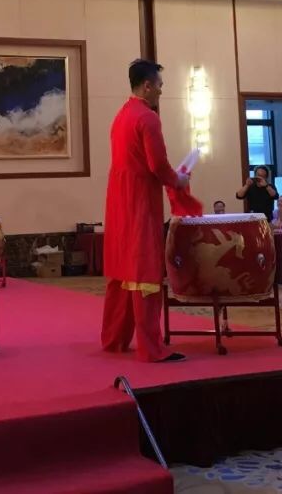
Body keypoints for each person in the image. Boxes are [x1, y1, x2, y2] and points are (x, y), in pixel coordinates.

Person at [102, 60, 188, 363]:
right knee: (144, 269)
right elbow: (158, 165)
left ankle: (114, 338)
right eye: (160, 86)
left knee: (123, 268)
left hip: (118, 201)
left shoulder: (121, 116)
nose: (162, 92)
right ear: (147, 86)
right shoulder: (148, 118)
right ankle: (151, 348)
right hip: (140, 202)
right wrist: (178, 180)